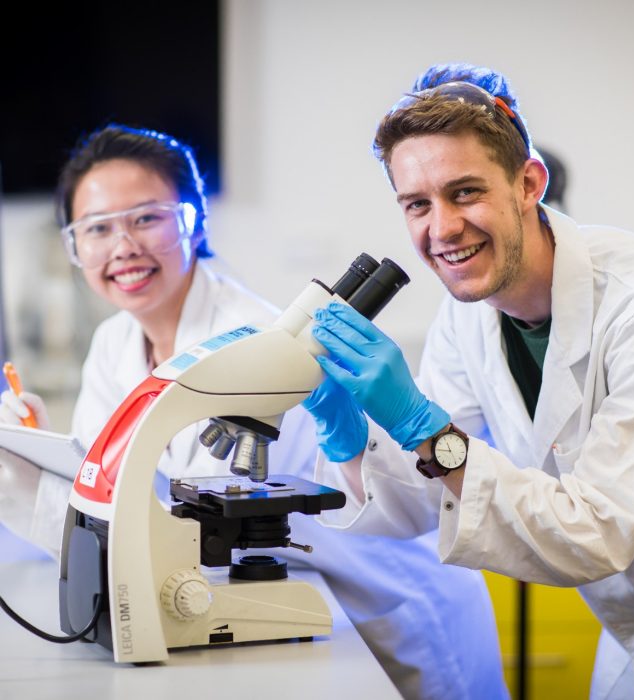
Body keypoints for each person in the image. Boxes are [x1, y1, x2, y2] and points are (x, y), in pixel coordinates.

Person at [0, 124, 508, 699]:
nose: (123, 247)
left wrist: (26, 489)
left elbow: (172, 529)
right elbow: (113, 494)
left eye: (146, 218)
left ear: (194, 221)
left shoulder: (254, 338)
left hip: (400, 608)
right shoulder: (113, 344)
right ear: (74, 246)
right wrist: (37, 452)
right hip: (307, 607)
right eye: (96, 229)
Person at [303, 63, 634, 699]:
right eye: (417, 204)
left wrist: (423, 426)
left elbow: (595, 531)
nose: (443, 229)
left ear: (529, 183)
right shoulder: (468, 322)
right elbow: (422, 500)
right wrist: (346, 432)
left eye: (465, 192)